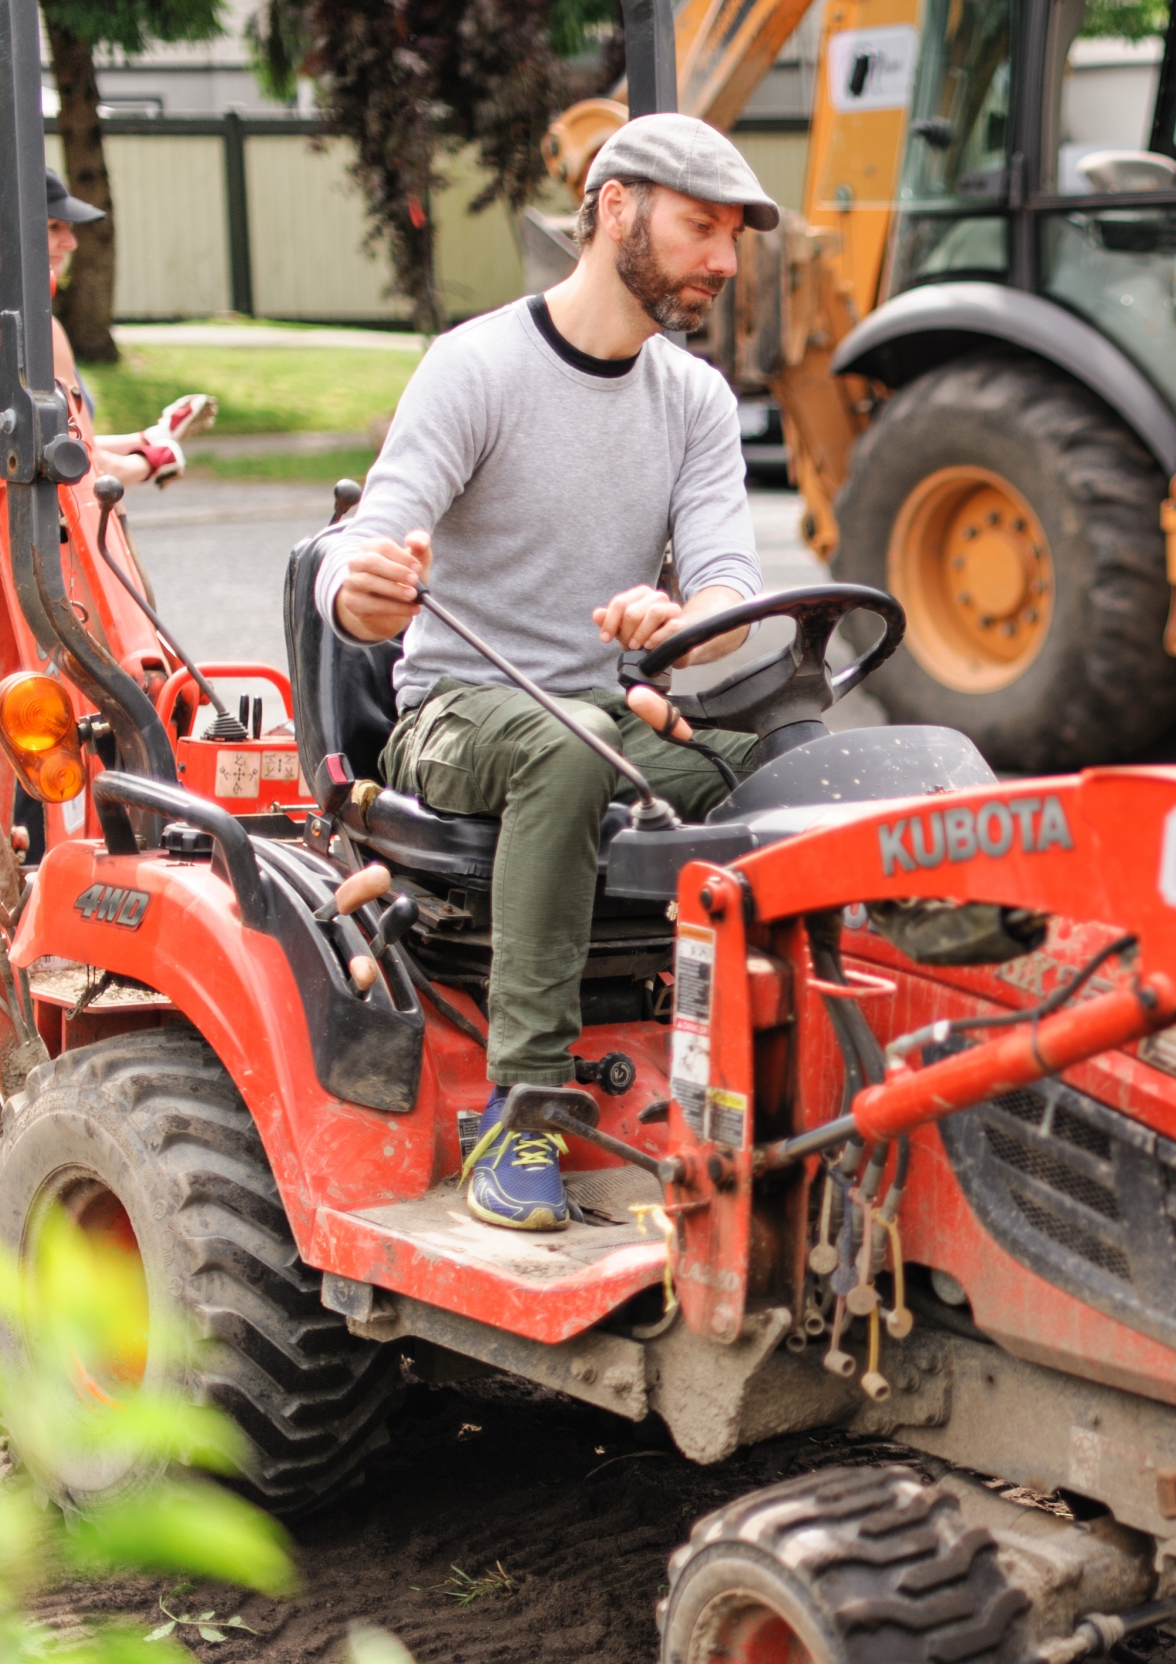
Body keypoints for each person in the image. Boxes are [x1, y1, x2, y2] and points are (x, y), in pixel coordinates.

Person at [320, 114, 779, 1232]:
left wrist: (683, 618)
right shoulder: (477, 366)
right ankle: (519, 1109)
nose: (723, 260)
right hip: (454, 715)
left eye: (732, 237)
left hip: (608, 715)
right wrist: (361, 589)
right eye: (700, 227)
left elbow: (726, 598)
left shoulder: (697, 400)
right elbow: (364, 548)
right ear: (614, 206)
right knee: (566, 746)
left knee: (794, 760)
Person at [0, 164, 211, 486]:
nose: (70, 243)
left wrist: (147, 437)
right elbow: (86, 467)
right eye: (53, 227)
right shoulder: (34, 329)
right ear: (1, 230)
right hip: (52, 532)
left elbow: (30, 449)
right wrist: (157, 460)